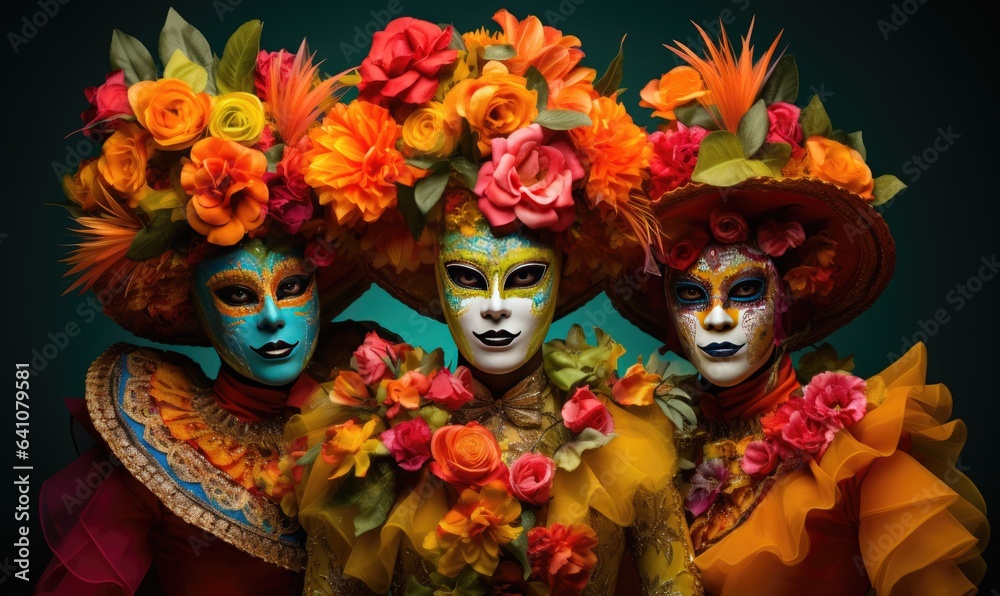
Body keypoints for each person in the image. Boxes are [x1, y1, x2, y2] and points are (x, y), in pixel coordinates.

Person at [285, 10, 701, 594]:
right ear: (435, 282)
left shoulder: (625, 437)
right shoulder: (375, 437)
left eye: (526, 276)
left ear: (564, 275)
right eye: (469, 278)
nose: (498, 306)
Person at [606, 21, 989, 595]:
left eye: (745, 292)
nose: (715, 319)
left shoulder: (862, 451)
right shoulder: (652, 453)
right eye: (689, 294)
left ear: (793, 292)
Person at [37, 11, 375, 594]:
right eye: (238, 296)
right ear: (191, 307)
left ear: (321, 289)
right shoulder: (154, 442)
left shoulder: (375, 404)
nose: (273, 318)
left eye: (293, 287)